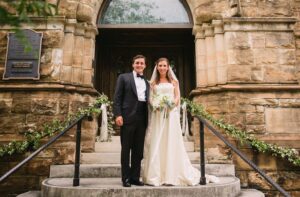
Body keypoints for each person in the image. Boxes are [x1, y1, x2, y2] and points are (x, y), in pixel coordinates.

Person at [142, 57, 219, 186]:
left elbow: (178, 97)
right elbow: (150, 98)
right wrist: (157, 104)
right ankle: (157, 175)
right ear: (157, 67)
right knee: (158, 141)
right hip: (158, 115)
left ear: (168, 67)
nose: (162, 68)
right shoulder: (153, 83)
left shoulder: (174, 81)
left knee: (171, 141)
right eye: (160, 65)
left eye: (164, 65)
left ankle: (172, 174)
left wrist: (171, 104)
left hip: (171, 115)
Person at [113, 55, 150, 187]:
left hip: (142, 117)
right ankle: (126, 178)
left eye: (142, 63)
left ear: (145, 66)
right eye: (137, 63)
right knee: (126, 149)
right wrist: (118, 115)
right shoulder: (123, 77)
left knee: (138, 151)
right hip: (127, 117)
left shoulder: (147, 82)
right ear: (133, 64)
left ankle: (135, 177)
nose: (139, 65)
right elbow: (117, 98)